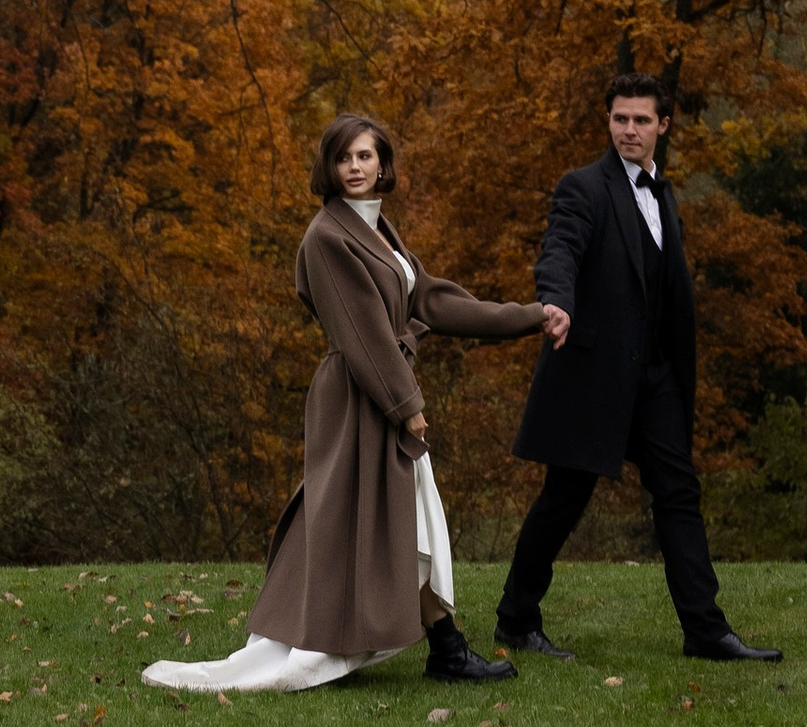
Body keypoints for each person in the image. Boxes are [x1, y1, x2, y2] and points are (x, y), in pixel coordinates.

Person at [144, 111, 566, 696]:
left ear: (383, 163)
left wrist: (530, 317)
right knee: (378, 518)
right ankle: (437, 647)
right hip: (359, 396)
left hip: (380, 390)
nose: (355, 167)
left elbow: (434, 300)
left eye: (365, 156)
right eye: (344, 158)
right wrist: (407, 404)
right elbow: (363, 332)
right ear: (329, 167)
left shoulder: (378, 229)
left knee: (395, 519)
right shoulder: (327, 237)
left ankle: (445, 647)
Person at [494, 73, 781, 668]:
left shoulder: (664, 195)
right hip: (592, 375)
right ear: (609, 122)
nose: (629, 129)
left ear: (663, 126)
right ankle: (517, 620)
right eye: (620, 119)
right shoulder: (583, 188)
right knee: (564, 499)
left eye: (642, 120)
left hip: (654, 381)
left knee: (679, 492)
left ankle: (705, 631)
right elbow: (561, 250)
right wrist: (557, 302)